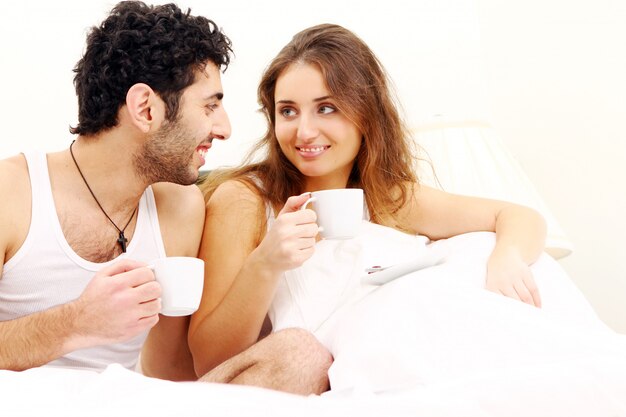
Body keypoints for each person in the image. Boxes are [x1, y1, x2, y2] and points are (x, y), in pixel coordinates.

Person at [0, 1, 331, 395]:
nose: (223, 128)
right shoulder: (13, 194)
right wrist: (77, 322)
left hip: (134, 400)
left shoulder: (179, 208)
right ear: (145, 108)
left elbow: (168, 370)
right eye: (210, 105)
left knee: (301, 355)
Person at [189, 23, 551, 375]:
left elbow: (517, 217)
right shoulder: (245, 201)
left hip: (367, 380)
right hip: (268, 385)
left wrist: (507, 257)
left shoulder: (387, 199)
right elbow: (208, 361)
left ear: (366, 113)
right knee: (302, 354)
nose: (304, 131)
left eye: (326, 108)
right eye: (288, 111)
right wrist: (266, 263)